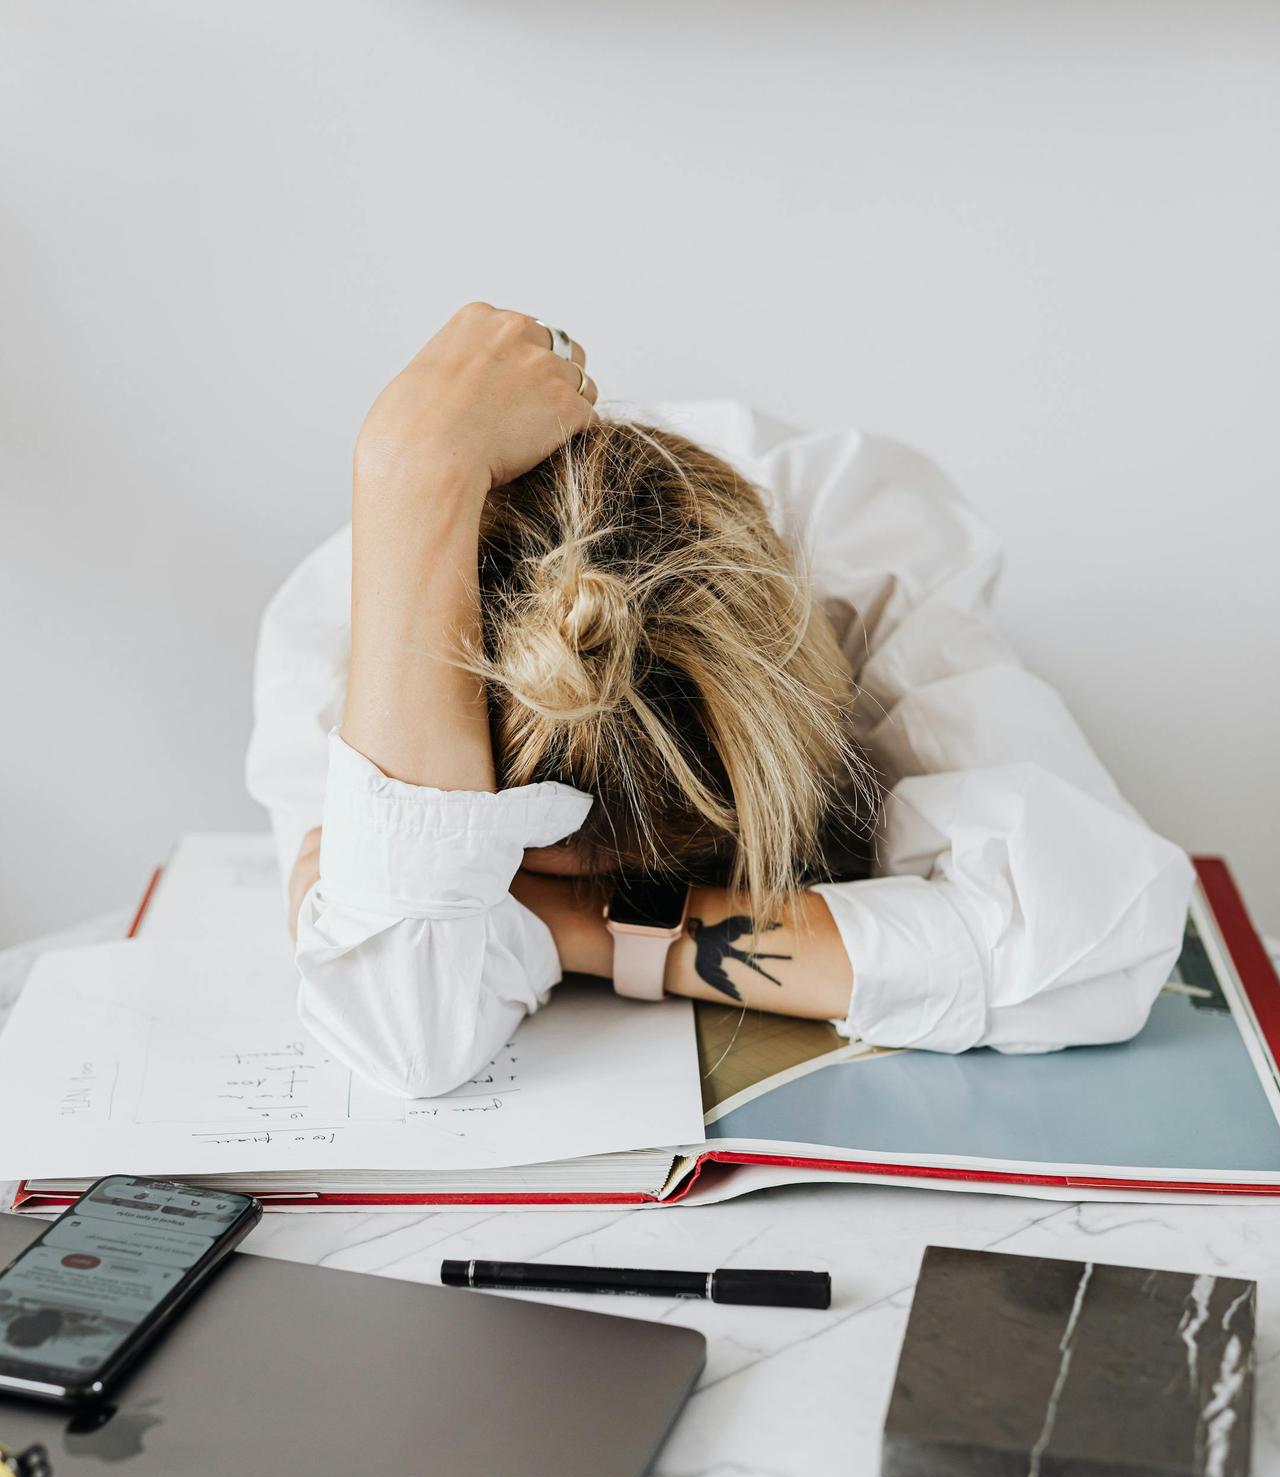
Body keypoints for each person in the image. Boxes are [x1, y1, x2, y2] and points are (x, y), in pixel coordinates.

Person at [246, 302, 1194, 1099]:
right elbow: (405, 1032)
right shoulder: (342, 637)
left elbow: (1098, 940)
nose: (591, 882)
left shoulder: (858, 537)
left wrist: (581, 925)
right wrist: (410, 472)